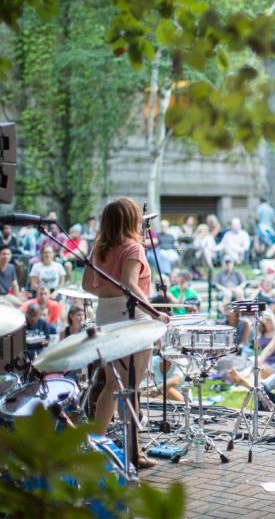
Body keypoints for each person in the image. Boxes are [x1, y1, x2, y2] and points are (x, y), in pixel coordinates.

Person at [82, 197, 169, 470]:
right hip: (132, 317)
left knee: (112, 385)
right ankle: (134, 452)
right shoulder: (133, 247)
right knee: (131, 387)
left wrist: (109, 297)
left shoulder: (99, 247)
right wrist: (155, 312)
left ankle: (97, 447)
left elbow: (87, 285)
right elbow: (131, 284)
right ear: (131, 220)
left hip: (105, 314)